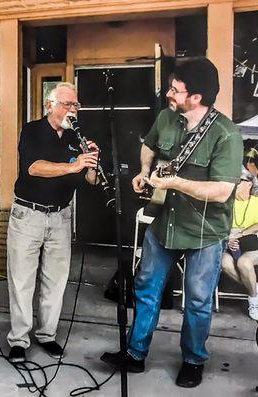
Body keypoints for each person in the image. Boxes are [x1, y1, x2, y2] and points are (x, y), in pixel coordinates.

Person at [101, 57, 243, 388]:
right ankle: (135, 355)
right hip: (164, 222)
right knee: (146, 288)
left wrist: (173, 183)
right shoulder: (167, 117)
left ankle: (193, 360)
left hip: (205, 233)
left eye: (176, 90)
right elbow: (149, 145)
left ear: (196, 97)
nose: (169, 93)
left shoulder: (226, 134)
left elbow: (223, 192)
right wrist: (143, 172)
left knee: (196, 300)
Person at [6, 82, 101, 363]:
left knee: (55, 281)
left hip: (61, 216)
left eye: (75, 105)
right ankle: (19, 340)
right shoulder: (33, 130)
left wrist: (93, 164)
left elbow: (90, 182)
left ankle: (47, 335)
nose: (72, 110)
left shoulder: (77, 139)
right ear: (50, 106)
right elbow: (33, 167)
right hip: (28, 215)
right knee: (22, 280)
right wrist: (74, 165)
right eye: (66, 104)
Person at [220, 171, 258, 320]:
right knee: (223, 261)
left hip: (253, 245)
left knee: (244, 262)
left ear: (249, 183)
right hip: (230, 244)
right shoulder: (226, 203)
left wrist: (240, 234)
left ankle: (253, 300)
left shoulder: (256, 202)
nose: (235, 182)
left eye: (239, 180)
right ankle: (254, 293)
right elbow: (218, 226)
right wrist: (228, 238)